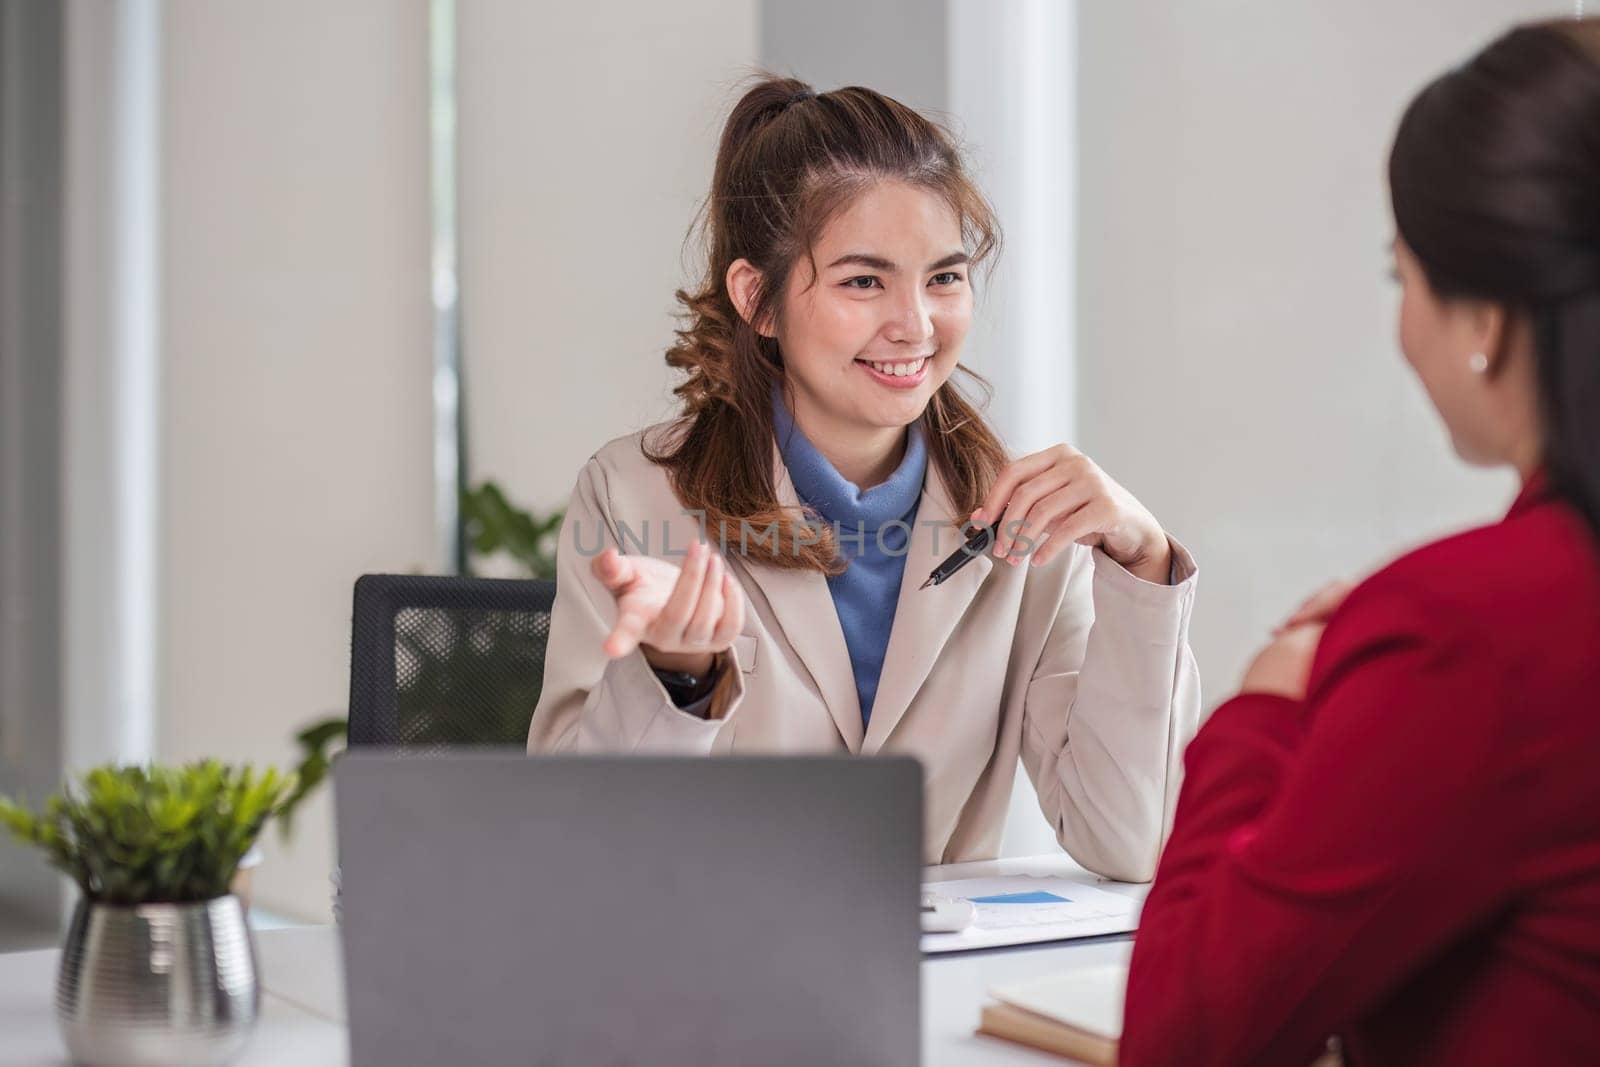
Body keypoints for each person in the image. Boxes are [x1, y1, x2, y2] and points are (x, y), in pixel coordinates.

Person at [527, 76, 1201, 878]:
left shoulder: (1023, 519)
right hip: (712, 982)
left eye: (944, 277)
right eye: (863, 281)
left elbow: (1134, 838)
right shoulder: (635, 495)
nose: (915, 324)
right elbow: (576, 849)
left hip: (937, 990)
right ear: (760, 299)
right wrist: (679, 683)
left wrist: (1141, 562)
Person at [1122, 18, 1600, 1065]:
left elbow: (1181, 1036)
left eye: (1402, 277)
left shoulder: (1464, 629)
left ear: (1486, 316)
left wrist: (1272, 702)